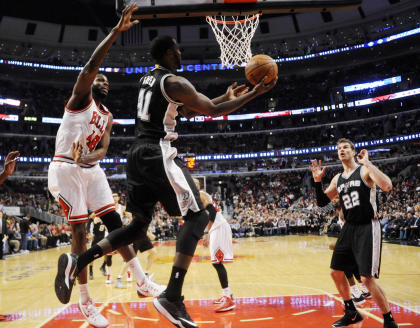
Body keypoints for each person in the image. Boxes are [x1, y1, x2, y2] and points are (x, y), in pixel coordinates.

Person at [54, 33, 276, 328]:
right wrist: (254, 94)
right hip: (158, 152)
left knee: (136, 227)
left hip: (137, 155)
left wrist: (225, 96)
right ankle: (172, 295)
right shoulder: (176, 82)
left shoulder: (149, 80)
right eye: (178, 49)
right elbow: (212, 110)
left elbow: (185, 110)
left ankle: (78, 261)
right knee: (199, 216)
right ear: (170, 52)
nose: (181, 52)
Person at [50, 4, 164, 328]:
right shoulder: (79, 100)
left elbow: (101, 150)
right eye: (99, 77)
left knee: (118, 224)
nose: (103, 80)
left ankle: (141, 280)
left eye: (106, 81)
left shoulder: (108, 117)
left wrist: (86, 157)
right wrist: (116, 32)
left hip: (88, 168)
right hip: (64, 167)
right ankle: (85, 302)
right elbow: (91, 63)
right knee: (80, 232)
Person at [310, 138, 398, 328]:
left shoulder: (364, 170)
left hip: (367, 225)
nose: (342, 150)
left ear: (353, 151)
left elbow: (387, 185)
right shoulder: (338, 178)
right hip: (349, 227)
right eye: (339, 148)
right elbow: (322, 203)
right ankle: (351, 312)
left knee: (366, 278)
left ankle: (389, 320)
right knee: (336, 271)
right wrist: (317, 181)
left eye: (345, 147)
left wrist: (367, 162)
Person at [193, 178, 235, 313]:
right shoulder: (197, 196)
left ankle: (228, 298)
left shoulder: (200, 194)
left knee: (217, 263)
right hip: (216, 228)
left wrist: (206, 233)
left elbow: (211, 213)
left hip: (219, 227)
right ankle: (227, 294)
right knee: (216, 262)